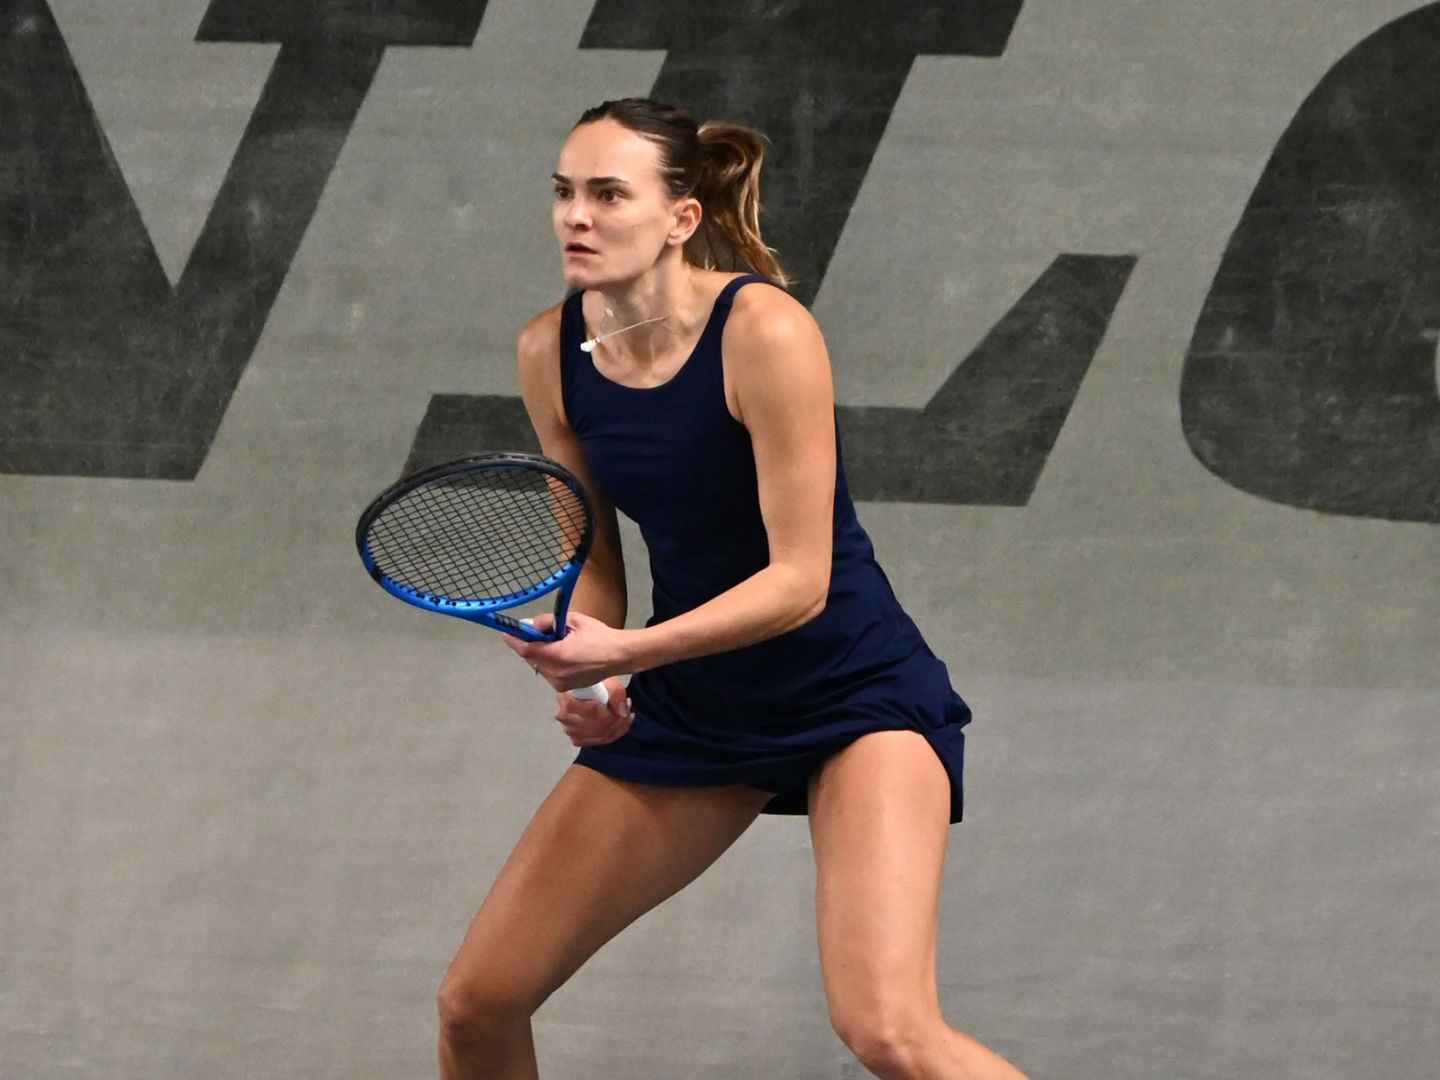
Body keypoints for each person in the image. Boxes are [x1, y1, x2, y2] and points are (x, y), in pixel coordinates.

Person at [435, 97, 1032, 1080]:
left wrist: (627, 653)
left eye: (609, 194)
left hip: (855, 695)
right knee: (477, 1004)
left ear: (681, 216)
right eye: (564, 193)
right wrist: (589, 664)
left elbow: (800, 582)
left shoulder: (765, 330)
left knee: (889, 1030)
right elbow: (594, 554)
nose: (576, 217)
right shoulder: (551, 351)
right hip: (702, 705)